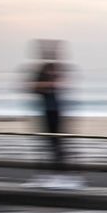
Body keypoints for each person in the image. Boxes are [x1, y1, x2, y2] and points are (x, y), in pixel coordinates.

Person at [25, 39, 84, 189]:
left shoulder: (59, 68)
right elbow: (31, 87)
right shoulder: (42, 69)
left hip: (59, 111)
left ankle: (68, 177)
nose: (50, 54)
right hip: (45, 111)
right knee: (45, 144)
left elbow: (62, 84)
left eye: (54, 51)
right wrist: (48, 85)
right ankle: (47, 176)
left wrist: (46, 86)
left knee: (61, 145)